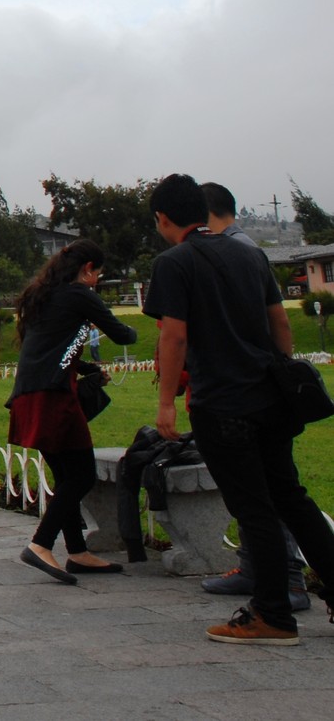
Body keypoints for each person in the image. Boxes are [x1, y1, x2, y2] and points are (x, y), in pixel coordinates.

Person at [147, 173, 334, 644]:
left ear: (163, 219)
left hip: (222, 404)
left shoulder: (174, 263)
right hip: (269, 396)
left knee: (255, 509)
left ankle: (272, 614)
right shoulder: (250, 255)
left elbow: (174, 336)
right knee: (291, 498)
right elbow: (280, 325)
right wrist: (282, 371)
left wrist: (166, 403)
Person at [197, 181, 309, 609]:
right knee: (261, 490)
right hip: (255, 387)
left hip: (248, 392)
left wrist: (279, 373)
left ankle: (290, 581)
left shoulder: (237, 252)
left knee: (271, 493)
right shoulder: (239, 248)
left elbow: (276, 320)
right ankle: (255, 568)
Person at [4, 240, 137, 584]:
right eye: (98, 273)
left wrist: (89, 371)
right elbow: (123, 335)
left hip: (29, 395)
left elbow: (56, 351)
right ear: (88, 268)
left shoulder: (42, 295)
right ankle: (40, 544)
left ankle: (77, 553)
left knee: (66, 477)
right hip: (53, 398)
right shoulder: (79, 294)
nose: (97, 280)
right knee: (81, 476)